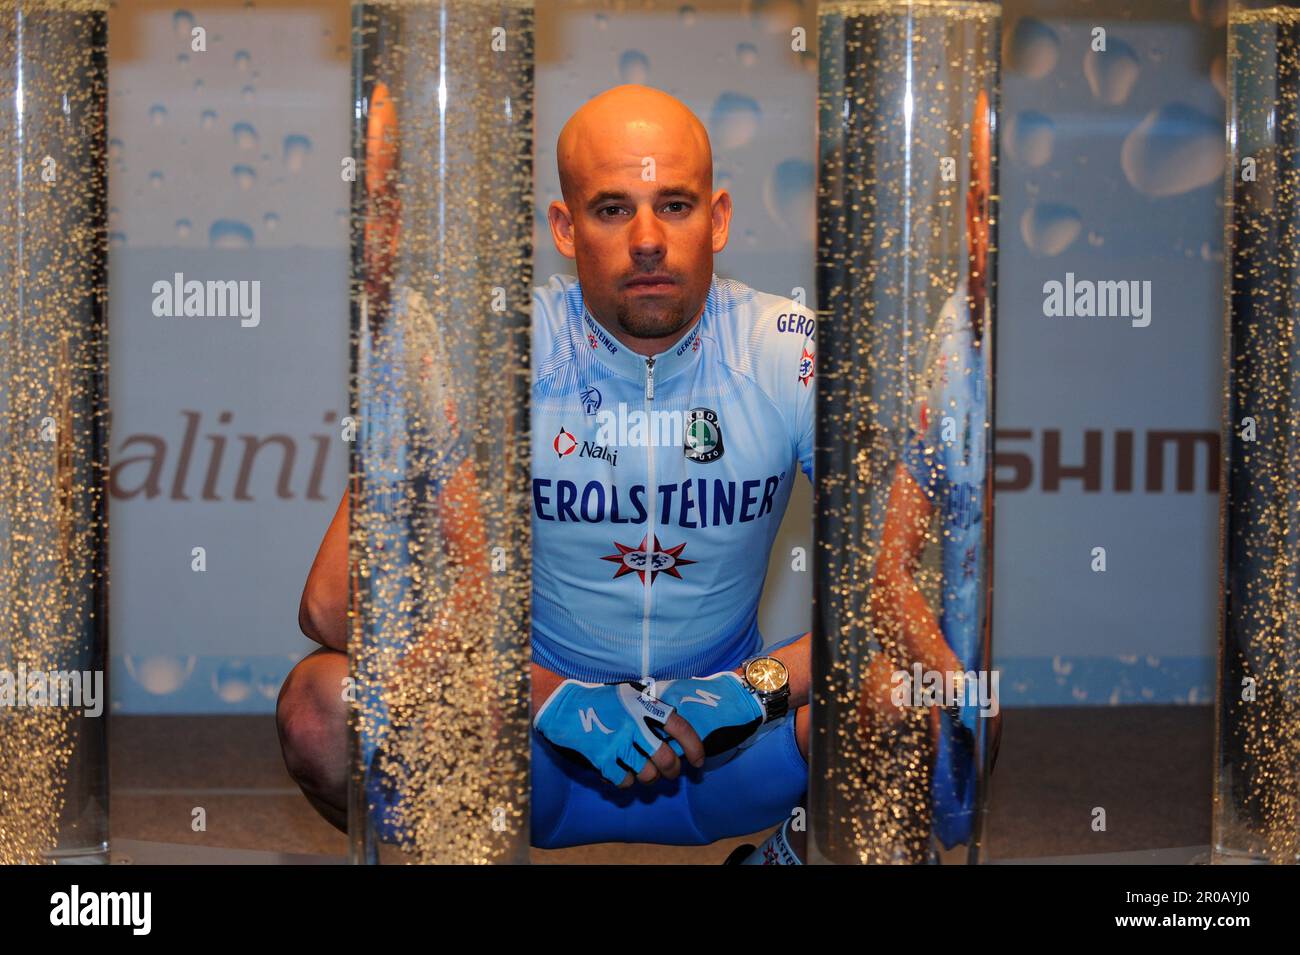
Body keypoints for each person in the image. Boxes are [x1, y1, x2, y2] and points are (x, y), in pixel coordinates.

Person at [279, 84, 816, 864]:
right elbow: (330, 603)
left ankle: (785, 856)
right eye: (611, 209)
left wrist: (753, 686)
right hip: (530, 754)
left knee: (946, 706)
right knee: (321, 707)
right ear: (564, 228)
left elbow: (897, 605)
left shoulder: (788, 349)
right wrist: (544, 693)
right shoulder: (498, 351)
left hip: (730, 746)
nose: (646, 239)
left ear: (720, 217)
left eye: (674, 205)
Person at [869, 89, 996, 853]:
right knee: (886, 690)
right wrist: (959, 685)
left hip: (1083, 725)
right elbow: (889, 574)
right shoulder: (955, 340)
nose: (982, 238)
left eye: (1003, 210)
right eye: (977, 208)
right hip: (970, 701)